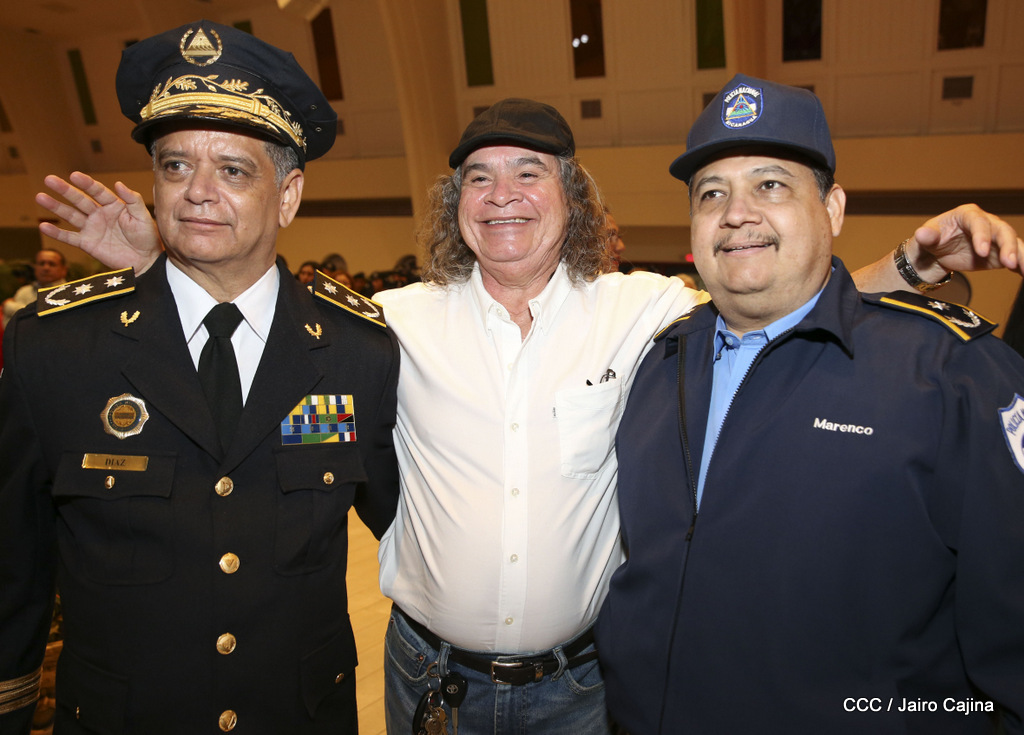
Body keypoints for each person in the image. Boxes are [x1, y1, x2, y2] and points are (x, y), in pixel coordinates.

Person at [30, 96, 1024, 735]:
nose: (501, 195)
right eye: (478, 177)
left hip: (581, 693)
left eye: (528, 173)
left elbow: (773, 293)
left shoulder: (641, 310)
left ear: (571, 199)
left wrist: (907, 264)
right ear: (454, 204)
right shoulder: (389, 326)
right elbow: (261, 346)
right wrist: (161, 263)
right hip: (428, 684)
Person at [0, 21, 400, 734]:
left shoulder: (356, 353)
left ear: (288, 195)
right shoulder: (56, 348)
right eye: (176, 166)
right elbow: (12, 566)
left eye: (234, 170)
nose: (197, 193)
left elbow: (415, 529)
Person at [597, 74, 1024, 734]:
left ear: (832, 209)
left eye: (771, 185)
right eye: (712, 193)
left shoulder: (952, 376)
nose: (737, 213)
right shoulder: (656, 366)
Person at [1, 249, 68, 328]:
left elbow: (48, 320)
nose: (46, 268)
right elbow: (9, 324)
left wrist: (9, 306)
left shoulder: (70, 291)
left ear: (64, 270)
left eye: (52, 264)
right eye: (41, 263)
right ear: (35, 267)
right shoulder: (24, 291)